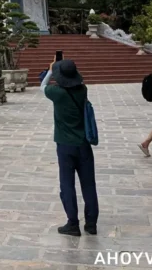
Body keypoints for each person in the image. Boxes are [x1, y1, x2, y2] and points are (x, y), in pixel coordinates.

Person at [42, 58, 99, 237]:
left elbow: (42, 86)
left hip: (65, 145)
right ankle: (91, 224)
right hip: (83, 144)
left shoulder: (55, 93)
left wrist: (51, 70)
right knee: (88, 184)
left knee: (67, 184)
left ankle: (72, 223)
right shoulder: (83, 90)